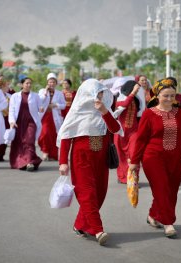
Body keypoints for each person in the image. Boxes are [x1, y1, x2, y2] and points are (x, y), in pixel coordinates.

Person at [57, 78, 123, 246]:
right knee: (87, 193)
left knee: (100, 193)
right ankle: (98, 230)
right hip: (82, 159)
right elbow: (66, 137)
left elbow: (115, 129)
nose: (100, 98)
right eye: (97, 94)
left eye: (101, 94)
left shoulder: (105, 111)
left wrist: (104, 112)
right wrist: (63, 162)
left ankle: (80, 225)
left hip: (101, 160)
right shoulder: (76, 113)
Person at [129, 78, 181, 238]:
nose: (169, 99)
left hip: (176, 158)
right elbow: (140, 140)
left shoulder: (180, 113)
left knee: (171, 191)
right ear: (157, 96)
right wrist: (134, 161)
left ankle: (153, 215)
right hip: (153, 158)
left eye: (172, 96)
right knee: (161, 189)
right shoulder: (148, 114)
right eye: (165, 96)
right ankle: (168, 223)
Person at [9, 77, 44, 171]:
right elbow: (11, 110)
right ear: (21, 84)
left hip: (31, 122)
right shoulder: (15, 96)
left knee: (29, 141)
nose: (29, 85)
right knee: (19, 143)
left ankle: (29, 162)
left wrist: (41, 108)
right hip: (18, 122)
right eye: (26, 83)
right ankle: (21, 161)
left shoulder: (35, 96)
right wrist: (12, 121)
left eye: (30, 83)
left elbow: (40, 106)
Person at [113, 80, 141, 184]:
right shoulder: (120, 98)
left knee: (134, 154)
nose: (137, 91)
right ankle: (122, 177)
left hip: (133, 132)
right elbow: (125, 104)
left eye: (138, 89)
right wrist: (133, 93)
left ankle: (134, 177)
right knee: (121, 156)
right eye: (136, 88)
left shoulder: (136, 100)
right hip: (120, 132)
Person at [38, 73, 66, 161]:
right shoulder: (42, 91)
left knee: (53, 136)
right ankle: (45, 152)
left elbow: (64, 105)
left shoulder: (59, 93)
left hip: (54, 117)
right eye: (50, 82)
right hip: (44, 116)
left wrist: (55, 105)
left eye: (53, 82)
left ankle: (53, 154)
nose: (52, 84)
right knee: (44, 134)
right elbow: (40, 101)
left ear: (56, 83)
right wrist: (46, 92)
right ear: (47, 82)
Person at [0, 77, 12, 162]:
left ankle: (0, 155)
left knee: (5, 137)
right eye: (7, 85)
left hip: (6, 119)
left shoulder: (10, 96)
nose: (8, 87)